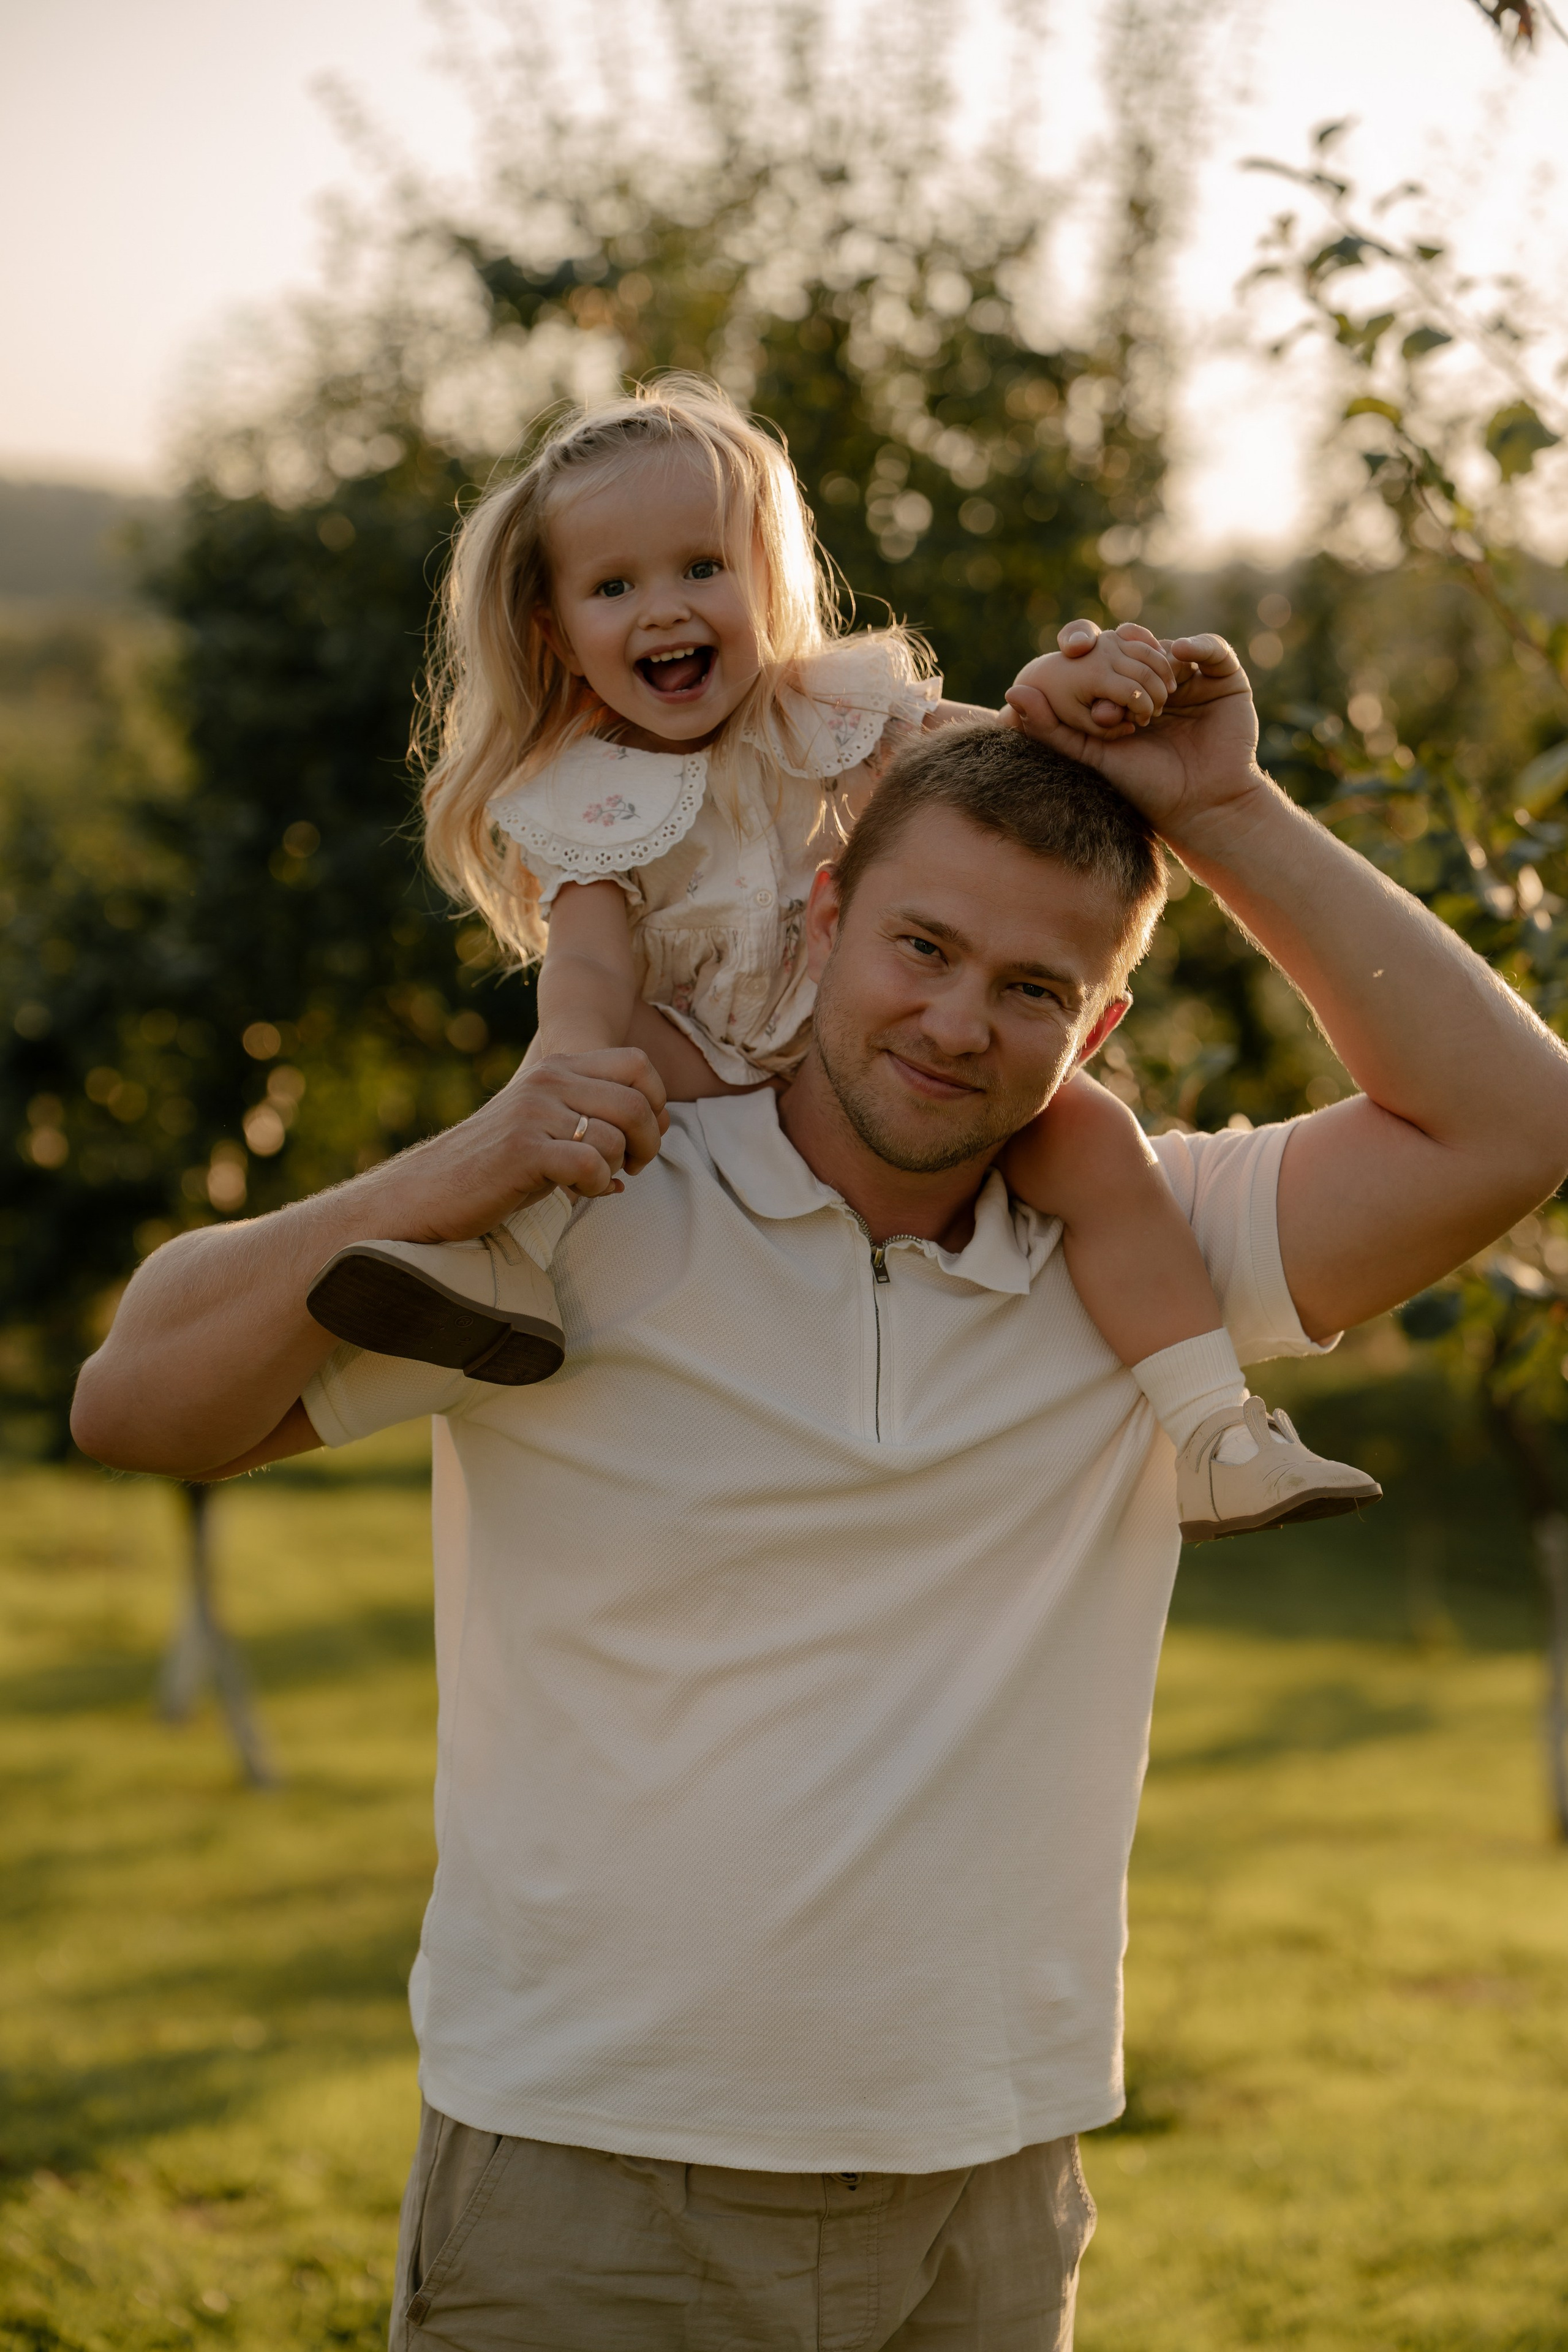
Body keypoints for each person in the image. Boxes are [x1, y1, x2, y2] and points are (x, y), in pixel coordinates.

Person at [72, 638, 1568, 2350]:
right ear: (821, 913)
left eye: (1032, 989)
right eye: (921, 947)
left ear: (1102, 1024)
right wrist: (479, 1158)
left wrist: (1223, 804)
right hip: (590, 2188)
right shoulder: (583, 1217)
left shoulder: (1156, 1253)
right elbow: (139, 1402)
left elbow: (1515, 1121)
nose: (956, 1023)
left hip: (985, 2197)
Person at [304, 377, 1376, 1542]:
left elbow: (1004, 758)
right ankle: (502, 1265)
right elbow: (591, 970)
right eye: (615, 587)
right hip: (706, 1070)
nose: (665, 609)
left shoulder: (834, 717)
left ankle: (1215, 1427)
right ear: (557, 631)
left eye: (702, 569)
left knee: (1093, 1140)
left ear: (764, 579)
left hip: (862, 1056)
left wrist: (1071, 699)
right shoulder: (586, 800)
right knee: (609, 1065)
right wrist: (568, 1062)